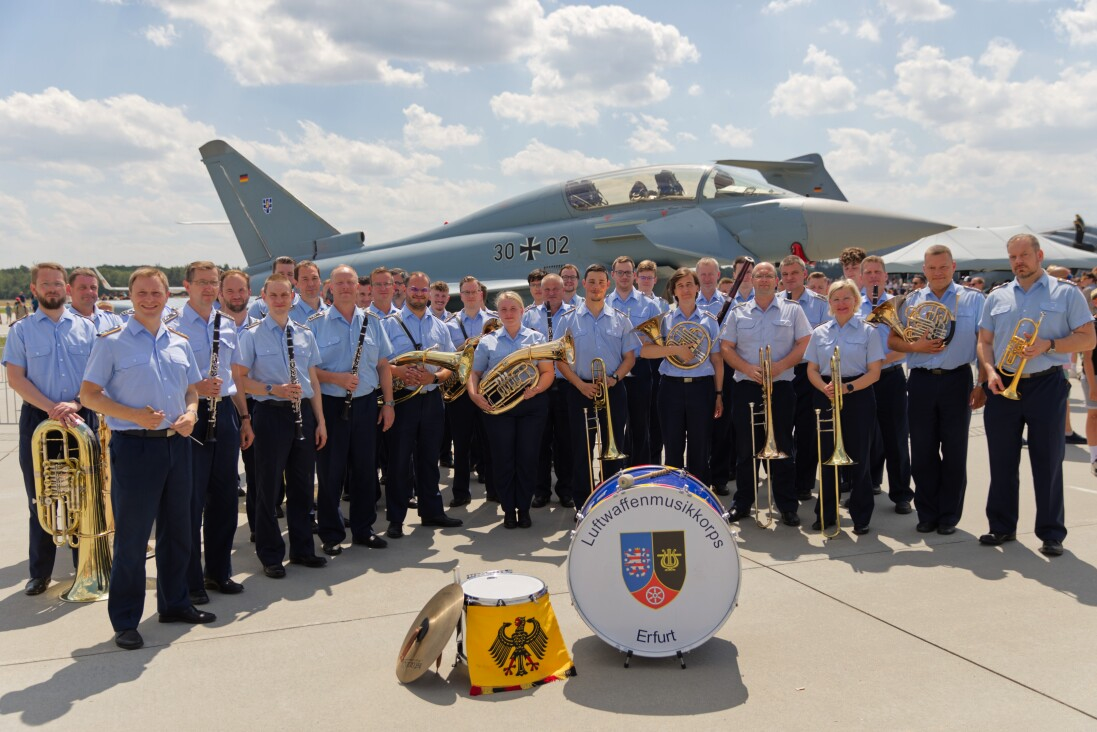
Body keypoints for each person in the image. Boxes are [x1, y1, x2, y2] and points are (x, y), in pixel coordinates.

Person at [80, 267, 209, 651]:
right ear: (131, 296)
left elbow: (192, 390)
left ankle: (175, 603)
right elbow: (88, 395)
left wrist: (192, 414)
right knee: (134, 540)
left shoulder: (179, 341)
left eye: (156, 292)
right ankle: (125, 620)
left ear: (168, 295)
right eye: (142, 293)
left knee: (179, 531)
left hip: (177, 444)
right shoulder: (112, 342)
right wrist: (133, 414)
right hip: (135, 447)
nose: (149, 299)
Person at [976, 233, 1095, 557]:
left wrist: (1050, 345)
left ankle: (1051, 533)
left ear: (1039, 255)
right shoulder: (997, 296)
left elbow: (1088, 339)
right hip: (1003, 385)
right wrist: (988, 372)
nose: (1018, 262)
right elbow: (984, 341)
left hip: (1047, 384)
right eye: (1013, 257)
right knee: (1001, 460)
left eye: (1024, 255)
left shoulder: (1066, 293)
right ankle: (1001, 526)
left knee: (1048, 460)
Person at [3, 263, 99, 597]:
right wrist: (50, 407)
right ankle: (40, 573)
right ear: (34, 289)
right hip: (39, 420)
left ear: (66, 289)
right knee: (41, 497)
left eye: (58, 284)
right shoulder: (21, 331)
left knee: (85, 495)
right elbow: (16, 377)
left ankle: (86, 567)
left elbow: (97, 374)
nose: (53, 289)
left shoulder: (87, 328)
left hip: (81, 415)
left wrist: (74, 404)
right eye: (46, 284)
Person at [233, 273, 329, 578]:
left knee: (302, 487)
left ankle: (302, 550)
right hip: (270, 414)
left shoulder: (305, 333)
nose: (279, 300)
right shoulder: (251, 334)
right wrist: (273, 390)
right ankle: (271, 554)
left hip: (303, 414)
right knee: (268, 488)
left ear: (293, 297)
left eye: (284, 295)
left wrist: (321, 421)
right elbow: (240, 380)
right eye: (273, 295)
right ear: (264, 297)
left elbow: (312, 379)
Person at [886, 245, 985, 535]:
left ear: (953, 267)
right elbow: (892, 341)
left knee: (955, 451)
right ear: (924, 270)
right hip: (921, 380)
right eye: (932, 268)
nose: (937, 272)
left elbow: (983, 343)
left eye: (943, 267)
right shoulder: (911, 301)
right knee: (922, 450)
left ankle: (949, 516)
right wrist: (914, 346)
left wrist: (981, 384)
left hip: (958, 379)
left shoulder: (974, 299)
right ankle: (927, 513)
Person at [177, 262, 253, 604]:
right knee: (191, 501)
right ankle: (191, 580)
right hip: (190, 412)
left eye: (213, 283)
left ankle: (219, 572)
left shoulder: (228, 324)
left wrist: (244, 417)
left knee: (224, 498)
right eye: (202, 283)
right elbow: (166, 376)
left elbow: (234, 378)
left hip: (223, 412)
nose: (208, 288)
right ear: (187, 285)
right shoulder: (173, 325)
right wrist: (196, 385)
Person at [309, 265, 394, 555]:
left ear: (358, 287)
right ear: (330, 288)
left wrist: (389, 404)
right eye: (339, 282)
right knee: (331, 472)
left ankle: (363, 529)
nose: (345, 287)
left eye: (350, 282)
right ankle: (331, 533)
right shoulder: (315, 324)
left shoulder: (372, 322)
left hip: (367, 404)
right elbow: (308, 372)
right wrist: (336, 378)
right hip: (331, 406)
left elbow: (383, 366)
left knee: (365, 470)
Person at [720, 261, 811, 527]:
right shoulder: (739, 312)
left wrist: (780, 366)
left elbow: (805, 343)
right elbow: (726, 347)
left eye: (768, 276)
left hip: (781, 386)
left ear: (776, 281)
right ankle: (743, 503)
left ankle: (786, 505)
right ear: (753, 279)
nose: (762, 280)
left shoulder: (792, 311)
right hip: (746, 387)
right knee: (746, 449)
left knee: (782, 446)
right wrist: (748, 369)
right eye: (757, 275)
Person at [382, 271, 464, 538]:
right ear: (405, 290)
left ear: (429, 292)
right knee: (398, 461)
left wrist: (434, 377)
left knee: (430, 460)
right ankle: (395, 519)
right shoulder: (389, 323)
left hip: (431, 399)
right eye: (414, 290)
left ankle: (432, 512)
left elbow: (452, 364)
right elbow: (380, 363)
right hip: (403, 400)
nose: (418, 294)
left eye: (423, 290)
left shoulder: (440, 326)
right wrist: (400, 373)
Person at [467, 291, 553, 528]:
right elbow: (474, 374)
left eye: (513, 309)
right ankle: (508, 509)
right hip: (499, 408)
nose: (508, 313)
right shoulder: (488, 341)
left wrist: (536, 389)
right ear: (498, 313)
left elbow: (547, 372)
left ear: (522, 311)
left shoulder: (536, 338)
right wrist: (474, 395)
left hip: (531, 405)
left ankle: (523, 508)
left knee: (527, 457)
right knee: (503, 459)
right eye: (503, 309)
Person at [556, 264, 639, 506]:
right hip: (579, 389)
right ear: (584, 284)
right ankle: (583, 502)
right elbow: (559, 360)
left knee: (614, 450)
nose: (596, 286)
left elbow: (630, 358)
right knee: (581, 450)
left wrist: (615, 378)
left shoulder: (621, 320)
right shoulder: (567, 320)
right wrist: (580, 385)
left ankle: (613, 500)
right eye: (591, 282)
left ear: (607, 285)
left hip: (613, 389)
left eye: (600, 282)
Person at [805, 280, 882, 534]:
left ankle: (861, 517)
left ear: (855, 301)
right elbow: (812, 369)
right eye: (835, 299)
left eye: (846, 298)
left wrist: (847, 389)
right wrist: (823, 387)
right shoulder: (820, 332)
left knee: (859, 457)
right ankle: (825, 515)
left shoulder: (868, 331)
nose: (841, 304)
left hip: (857, 395)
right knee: (826, 457)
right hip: (825, 394)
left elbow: (874, 373)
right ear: (829, 303)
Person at [639, 267, 723, 480]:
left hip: (702, 387)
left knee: (700, 447)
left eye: (689, 285)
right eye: (680, 286)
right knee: (672, 447)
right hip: (671, 388)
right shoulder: (665, 319)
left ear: (697, 287)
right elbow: (645, 351)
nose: (685, 290)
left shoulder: (709, 320)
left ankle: (699, 497)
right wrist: (675, 349)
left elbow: (716, 360)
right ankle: (674, 496)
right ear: (674, 291)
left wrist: (719, 394)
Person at [862, 255, 913, 513]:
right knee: (862, 437)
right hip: (860, 380)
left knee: (895, 437)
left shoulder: (901, 305)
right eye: (868, 272)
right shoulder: (850, 301)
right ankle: (863, 487)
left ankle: (902, 493)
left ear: (885, 276)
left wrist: (877, 365)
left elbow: (906, 347)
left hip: (890, 375)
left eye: (877, 272)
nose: (873, 276)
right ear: (861, 277)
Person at [779, 255, 830, 502]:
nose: (790, 278)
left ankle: (804, 483)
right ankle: (784, 480)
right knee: (781, 430)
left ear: (804, 276)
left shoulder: (821, 304)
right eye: (785, 274)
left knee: (808, 431)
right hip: (781, 372)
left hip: (809, 372)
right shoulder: (774, 303)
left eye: (794, 273)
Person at [523, 273, 575, 508]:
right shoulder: (529, 315)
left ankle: (566, 489)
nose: (551, 293)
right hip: (539, 386)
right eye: (547, 289)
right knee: (539, 441)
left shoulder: (573, 314)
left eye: (556, 289)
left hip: (565, 384)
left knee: (566, 441)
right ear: (540, 291)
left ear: (563, 290)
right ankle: (540, 490)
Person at [219, 269, 264, 540]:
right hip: (221, 405)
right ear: (221, 293)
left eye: (241, 290)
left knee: (257, 473)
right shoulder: (212, 326)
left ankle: (258, 529)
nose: (237, 296)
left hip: (254, 405)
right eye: (230, 291)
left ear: (249, 292)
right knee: (221, 478)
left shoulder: (263, 327)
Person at [444, 276, 497, 507]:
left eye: (474, 291)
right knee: (462, 443)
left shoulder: (495, 320)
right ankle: (460, 492)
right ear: (461, 295)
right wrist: (463, 347)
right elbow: (446, 359)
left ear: (480, 293)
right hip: (461, 390)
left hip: (489, 387)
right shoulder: (450, 323)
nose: (470, 295)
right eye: (466, 292)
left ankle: (494, 490)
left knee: (491, 441)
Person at [607, 255, 659, 466]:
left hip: (640, 368)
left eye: (628, 272)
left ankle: (640, 473)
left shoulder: (649, 305)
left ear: (634, 275)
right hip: (613, 370)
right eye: (620, 272)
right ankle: (615, 474)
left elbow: (659, 340)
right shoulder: (604, 303)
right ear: (613, 275)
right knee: (614, 426)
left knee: (640, 425)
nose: (624, 276)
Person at [67, 268, 123, 332]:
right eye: (82, 287)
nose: (89, 292)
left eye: (93, 287)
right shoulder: (61, 323)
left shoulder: (113, 320)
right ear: (69, 290)